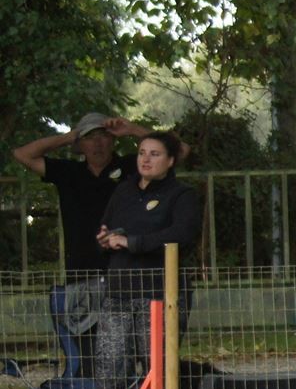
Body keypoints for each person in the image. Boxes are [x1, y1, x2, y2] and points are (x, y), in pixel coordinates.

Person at [95, 131, 201, 389]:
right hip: (118, 293)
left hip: (159, 295)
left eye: (155, 154)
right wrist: (106, 238)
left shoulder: (182, 195)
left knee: (157, 372)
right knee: (109, 370)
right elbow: (108, 227)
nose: (146, 159)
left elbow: (183, 235)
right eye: (142, 152)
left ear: (170, 160)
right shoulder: (124, 191)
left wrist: (133, 242)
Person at [11, 114, 174, 286]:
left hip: (129, 273)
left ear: (113, 140)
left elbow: (179, 151)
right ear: (80, 145)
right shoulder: (69, 172)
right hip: (81, 274)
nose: (97, 143)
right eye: (89, 137)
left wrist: (132, 129)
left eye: (103, 136)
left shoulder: (133, 167)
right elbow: (22, 154)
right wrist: (67, 137)